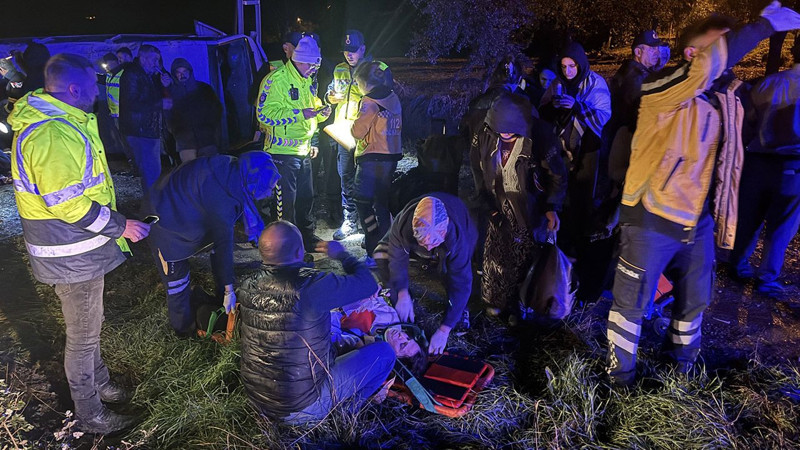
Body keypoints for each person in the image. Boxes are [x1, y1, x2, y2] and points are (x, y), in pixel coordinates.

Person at [605, 2, 800, 386]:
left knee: (694, 303)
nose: (728, 56)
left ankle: (679, 373)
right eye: (721, 47)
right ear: (694, 54)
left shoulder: (727, 98)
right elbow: (702, 73)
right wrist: (761, 27)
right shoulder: (662, 87)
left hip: (699, 222)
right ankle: (619, 380)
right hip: (652, 216)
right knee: (631, 305)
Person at [8, 53, 151, 433]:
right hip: (71, 252)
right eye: (92, 86)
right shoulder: (52, 133)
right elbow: (67, 203)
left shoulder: (62, 123)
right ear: (75, 89)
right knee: (83, 338)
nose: (97, 93)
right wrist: (120, 227)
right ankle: (91, 415)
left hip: (79, 249)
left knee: (90, 325)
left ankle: (100, 384)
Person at [238, 221, 396, 424]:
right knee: (385, 353)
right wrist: (342, 255)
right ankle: (346, 413)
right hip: (302, 408)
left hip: (258, 401)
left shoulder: (246, 285)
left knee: (333, 335)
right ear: (299, 251)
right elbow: (367, 284)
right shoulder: (311, 285)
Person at [143, 152, 279, 336]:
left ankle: (212, 302)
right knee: (177, 283)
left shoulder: (235, 170)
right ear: (255, 182)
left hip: (181, 205)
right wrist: (228, 290)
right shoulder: (222, 201)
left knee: (220, 270)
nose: (271, 193)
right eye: (268, 188)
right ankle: (184, 332)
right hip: (165, 221)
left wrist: (225, 286)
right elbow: (222, 246)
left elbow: (220, 244)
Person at [471, 93, 567, 320]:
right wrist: (486, 204)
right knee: (497, 254)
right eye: (500, 128)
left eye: (510, 129)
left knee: (527, 257)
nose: (504, 133)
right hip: (497, 201)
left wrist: (552, 206)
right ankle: (496, 300)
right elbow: (477, 168)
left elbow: (557, 175)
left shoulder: (540, 136)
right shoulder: (485, 133)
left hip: (530, 206)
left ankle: (522, 305)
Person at [539, 41, 612, 304]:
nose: (568, 71)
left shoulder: (595, 83)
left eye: (572, 66)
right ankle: (560, 255)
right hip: (560, 152)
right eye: (563, 66)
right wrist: (554, 108)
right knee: (561, 198)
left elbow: (603, 115)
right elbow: (544, 111)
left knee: (581, 202)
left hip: (587, 152)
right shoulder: (556, 84)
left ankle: (579, 262)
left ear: (581, 65)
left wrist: (577, 107)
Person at [730, 37, 800, 297]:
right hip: (792, 167)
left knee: (750, 218)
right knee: (781, 226)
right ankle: (767, 278)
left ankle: (738, 264)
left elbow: (746, 120)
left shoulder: (769, 83)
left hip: (756, 161)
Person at [374, 193, 478, 355]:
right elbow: (397, 260)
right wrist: (402, 293)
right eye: (424, 242)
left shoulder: (456, 235)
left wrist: (444, 330)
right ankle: (401, 304)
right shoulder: (402, 227)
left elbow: (462, 281)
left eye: (434, 243)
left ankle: (459, 311)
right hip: (415, 239)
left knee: (448, 273)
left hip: (459, 224)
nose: (429, 248)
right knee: (381, 255)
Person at [256, 36, 329, 250]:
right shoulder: (276, 80)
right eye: (312, 64)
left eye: (316, 64)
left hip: (303, 151)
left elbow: (310, 109)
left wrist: (322, 112)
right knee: (285, 206)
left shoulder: (306, 80)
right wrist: (299, 114)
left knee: (306, 199)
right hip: (281, 154)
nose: (314, 69)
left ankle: (306, 239)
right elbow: (264, 115)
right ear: (300, 60)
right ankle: (285, 248)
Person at [327, 29, 393, 241]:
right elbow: (330, 93)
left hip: (367, 137)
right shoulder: (338, 69)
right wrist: (329, 98)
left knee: (367, 181)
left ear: (363, 49)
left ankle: (371, 227)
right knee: (345, 177)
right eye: (346, 51)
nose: (349, 55)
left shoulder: (377, 69)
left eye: (353, 50)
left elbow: (387, 101)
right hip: (343, 135)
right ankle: (350, 220)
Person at [350, 61, 402, 262]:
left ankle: (372, 247)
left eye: (357, 83)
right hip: (390, 157)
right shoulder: (393, 97)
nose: (357, 87)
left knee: (362, 201)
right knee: (382, 204)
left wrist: (353, 123)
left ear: (365, 82)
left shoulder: (369, 102)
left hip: (371, 157)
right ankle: (387, 245)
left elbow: (357, 131)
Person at [330, 292, 428, 376]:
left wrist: (341, 311)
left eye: (402, 345)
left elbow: (329, 331)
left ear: (396, 357)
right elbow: (368, 295)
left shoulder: (365, 351)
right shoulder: (390, 317)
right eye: (408, 337)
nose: (401, 336)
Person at [119, 44, 172, 192]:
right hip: (139, 131)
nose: (156, 64)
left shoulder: (149, 75)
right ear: (142, 58)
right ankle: (153, 207)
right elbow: (131, 103)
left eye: (158, 60)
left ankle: (153, 203)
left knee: (153, 170)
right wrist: (159, 103)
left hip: (148, 129)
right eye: (154, 60)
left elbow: (158, 93)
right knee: (151, 172)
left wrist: (165, 84)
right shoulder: (132, 74)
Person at [167, 58, 223, 162]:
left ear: (190, 71)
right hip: (185, 143)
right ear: (174, 75)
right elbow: (167, 117)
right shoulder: (171, 93)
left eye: (184, 71)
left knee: (210, 171)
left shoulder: (204, 89)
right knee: (191, 174)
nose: (182, 75)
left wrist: (210, 128)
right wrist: (176, 131)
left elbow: (217, 110)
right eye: (178, 72)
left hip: (207, 140)